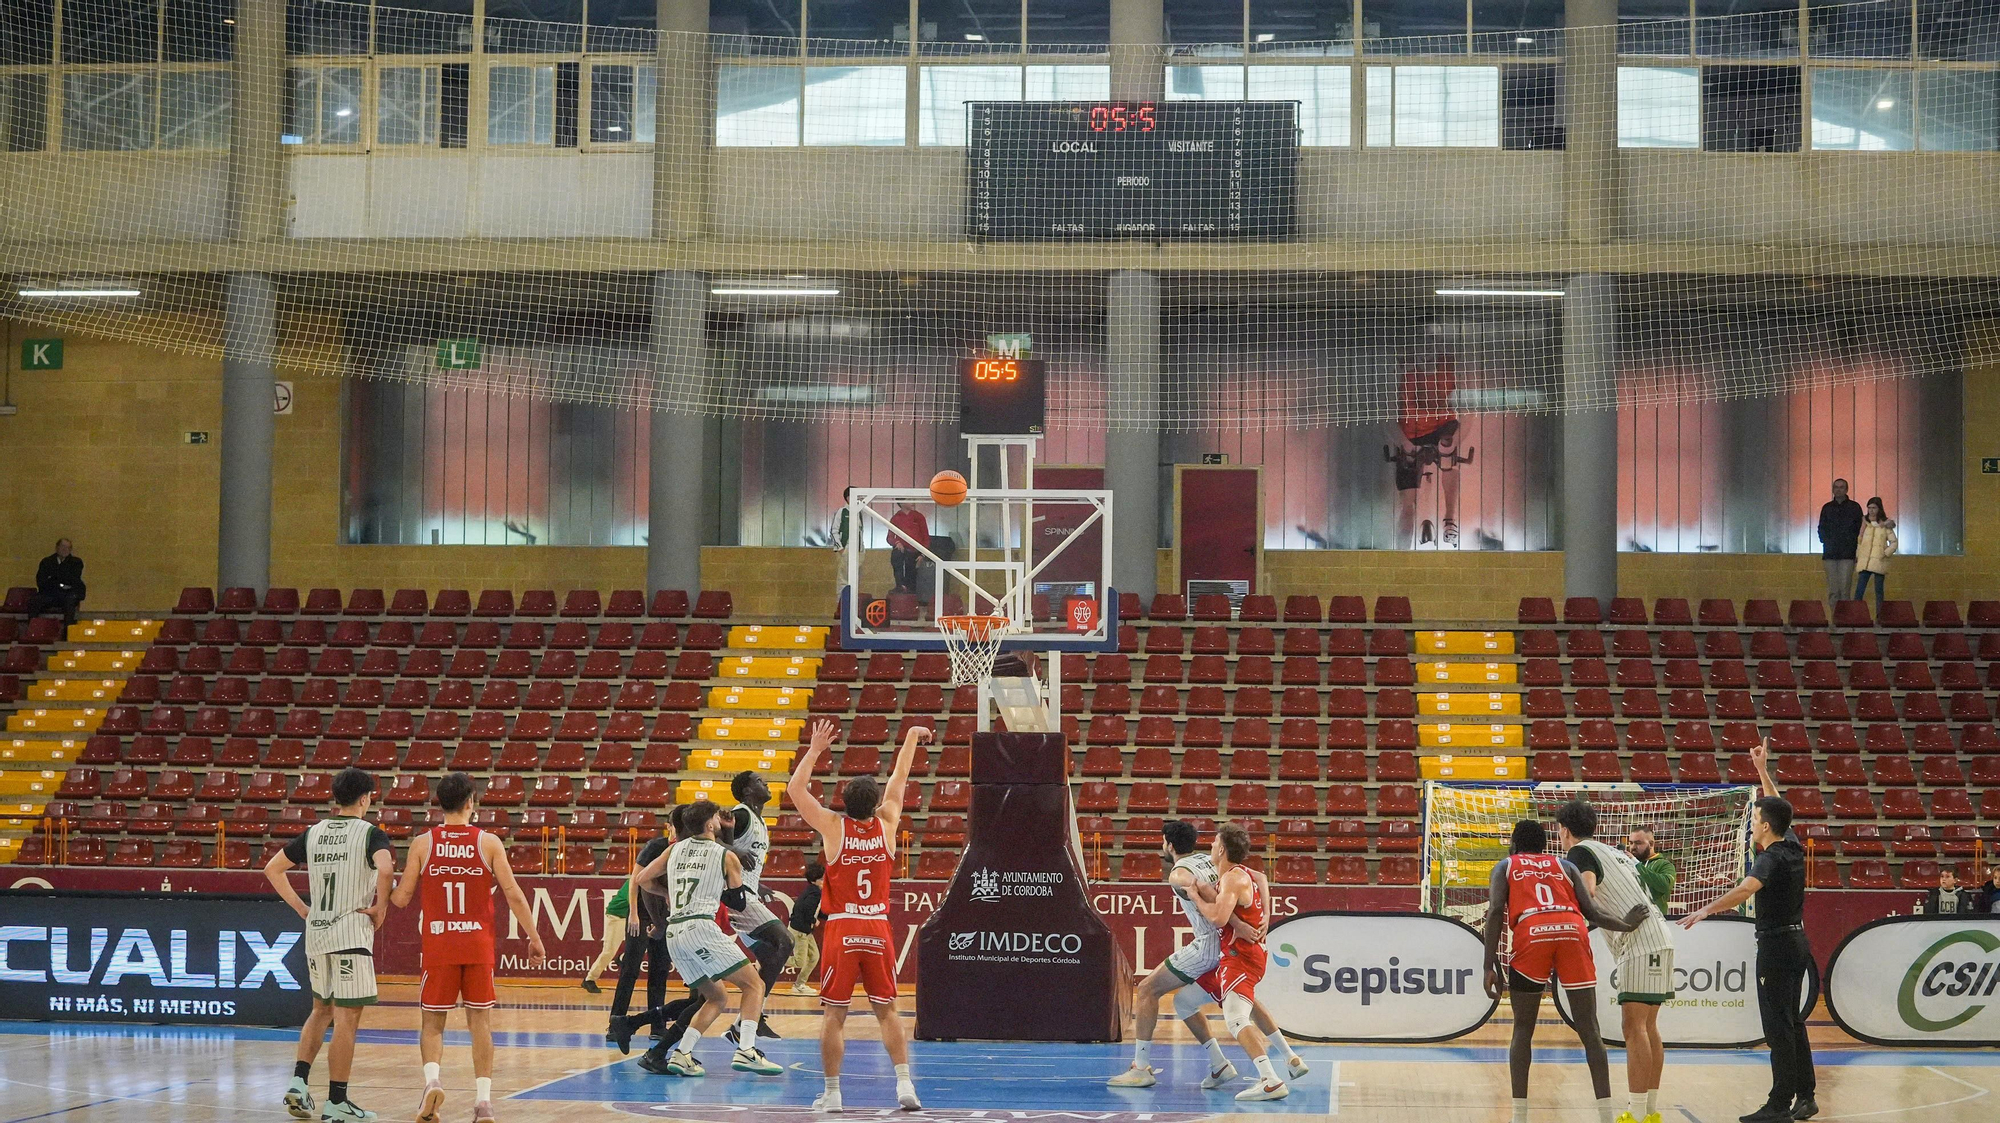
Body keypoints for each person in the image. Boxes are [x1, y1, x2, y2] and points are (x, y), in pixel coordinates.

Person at [788, 718, 928, 1112]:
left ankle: (833, 1093)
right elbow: (899, 778)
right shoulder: (887, 824)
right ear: (874, 804)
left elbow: (795, 790)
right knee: (887, 1010)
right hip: (877, 924)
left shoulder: (833, 826)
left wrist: (815, 749)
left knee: (835, 1014)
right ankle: (905, 1086)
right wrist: (912, 737)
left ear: (844, 801)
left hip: (843, 925)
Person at [390, 772, 545, 1123]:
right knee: (481, 1025)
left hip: (439, 945)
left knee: (432, 1024)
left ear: (439, 803)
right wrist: (534, 937)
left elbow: (400, 899)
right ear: (470, 802)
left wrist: (379, 890)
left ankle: (432, 1083)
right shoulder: (488, 842)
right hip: (477, 945)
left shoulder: (422, 843)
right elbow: (514, 895)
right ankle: (484, 1102)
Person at [1108, 820, 1307, 1091]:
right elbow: (1259, 878)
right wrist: (1262, 918)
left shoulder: (1178, 873)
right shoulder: (1206, 859)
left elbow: (1207, 894)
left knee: (1146, 989)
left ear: (1169, 844)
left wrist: (1234, 923)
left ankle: (1141, 1068)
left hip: (1209, 947)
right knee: (1208, 1001)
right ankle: (1237, 1063)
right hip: (1231, 945)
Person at [1681, 740, 1816, 1123]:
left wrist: (1706, 908)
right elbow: (1779, 809)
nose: (1752, 822)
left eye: (1755, 818)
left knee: (1778, 1027)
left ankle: (1778, 1104)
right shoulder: (1789, 844)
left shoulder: (1772, 858)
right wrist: (1761, 772)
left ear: (1766, 826)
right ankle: (1805, 1095)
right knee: (1793, 1022)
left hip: (1776, 947)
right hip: (1796, 942)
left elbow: (1745, 889)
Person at [1482, 818, 1649, 1123]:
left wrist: (1489, 964)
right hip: (1572, 929)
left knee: (1522, 1030)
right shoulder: (1565, 866)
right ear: (1545, 845)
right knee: (1590, 1030)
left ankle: (1519, 1116)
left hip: (1532, 931)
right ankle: (1605, 1115)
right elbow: (1592, 912)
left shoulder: (1506, 865)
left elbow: (1494, 910)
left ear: (1515, 845)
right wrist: (1627, 924)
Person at [264, 768, 394, 1123]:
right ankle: (337, 1101)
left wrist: (303, 909)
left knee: (320, 1010)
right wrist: (381, 907)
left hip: (317, 934)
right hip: (351, 935)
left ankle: (299, 1082)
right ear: (365, 798)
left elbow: (273, 869)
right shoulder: (371, 834)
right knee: (347, 1020)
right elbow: (385, 870)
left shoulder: (314, 833)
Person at [630, 799, 785, 1078]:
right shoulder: (725, 856)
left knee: (716, 996)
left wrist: (667, 895)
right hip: (702, 927)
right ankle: (747, 1050)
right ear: (711, 823)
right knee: (754, 985)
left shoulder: (674, 850)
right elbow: (738, 902)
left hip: (675, 931)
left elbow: (642, 878)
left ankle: (681, 1054)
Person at [1556, 801, 1677, 1123]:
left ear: (1564, 830)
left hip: (1640, 942)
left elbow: (1589, 892)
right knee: (1648, 1026)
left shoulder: (1579, 852)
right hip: (1659, 937)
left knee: (1633, 1027)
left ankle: (1637, 1113)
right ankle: (1649, 1111)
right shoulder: (1615, 852)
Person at [1185, 824, 1288, 1102]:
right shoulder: (1236, 875)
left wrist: (1195, 896)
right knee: (1198, 1004)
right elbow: (1261, 880)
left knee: (1236, 1018)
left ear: (1221, 849)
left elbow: (1218, 917)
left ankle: (1270, 1080)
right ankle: (1283, 1063)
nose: (1210, 848)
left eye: (1213, 844)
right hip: (1236, 955)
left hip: (1241, 956)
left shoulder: (1233, 878)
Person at [723, 768, 795, 1040]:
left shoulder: (760, 821)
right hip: (733, 899)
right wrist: (733, 850)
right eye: (759, 781)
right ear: (746, 791)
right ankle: (748, 1021)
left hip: (745, 893)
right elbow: (709, 840)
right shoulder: (740, 814)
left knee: (768, 955)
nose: (766, 784)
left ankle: (748, 1021)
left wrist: (757, 884)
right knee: (785, 942)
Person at [1385, 350, 1472, 549]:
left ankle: (1448, 520)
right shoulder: (1416, 377)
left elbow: (1467, 413)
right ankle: (1411, 532)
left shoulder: (1442, 372)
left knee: (1444, 452)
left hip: (1432, 427)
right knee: (1419, 459)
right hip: (1417, 429)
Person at [1817, 478, 1864, 607]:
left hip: (1848, 554)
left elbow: (1860, 529)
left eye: (1841, 487)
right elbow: (1821, 527)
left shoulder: (1855, 507)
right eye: (1836, 487)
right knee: (1833, 591)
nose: (1838, 489)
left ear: (1847, 489)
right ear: (1833, 490)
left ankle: (1844, 621)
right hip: (1830, 554)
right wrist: (1825, 541)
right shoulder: (1827, 508)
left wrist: (1855, 547)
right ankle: (1834, 620)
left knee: (1845, 591)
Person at [581, 873, 630, 994]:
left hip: (631, 916)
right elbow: (633, 901)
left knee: (647, 941)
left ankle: (622, 958)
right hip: (617, 916)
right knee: (609, 950)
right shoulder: (635, 880)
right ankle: (589, 979)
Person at [786, 859, 825, 997]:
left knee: (814, 957)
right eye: (822, 879)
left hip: (805, 931)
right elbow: (805, 909)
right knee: (799, 961)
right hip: (800, 931)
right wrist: (813, 920)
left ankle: (799, 984)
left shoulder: (811, 891)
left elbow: (816, 910)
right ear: (815, 880)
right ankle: (770, 959)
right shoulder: (815, 893)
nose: (824, 881)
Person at [1852, 497, 1897, 614]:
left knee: (1879, 591)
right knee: (1859, 590)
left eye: (1874, 508)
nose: (1871, 510)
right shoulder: (1865, 524)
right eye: (1869, 508)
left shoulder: (1885, 525)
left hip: (1879, 561)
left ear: (1879, 508)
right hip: (1864, 561)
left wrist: (1885, 553)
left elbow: (1894, 542)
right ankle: (1856, 614)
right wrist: (1858, 555)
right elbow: (1860, 542)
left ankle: (1880, 616)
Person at [30, 539, 85, 625]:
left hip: (68, 594)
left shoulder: (76, 562)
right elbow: (41, 581)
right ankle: (33, 627)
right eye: (63, 547)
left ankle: (67, 631)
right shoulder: (47, 562)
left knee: (70, 602)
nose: (65, 549)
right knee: (35, 601)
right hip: (51, 593)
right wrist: (60, 584)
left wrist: (53, 579)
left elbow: (72, 579)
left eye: (68, 548)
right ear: (57, 548)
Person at [1625, 826, 1677, 915]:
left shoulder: (1664, 864)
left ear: (1651, 844)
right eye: (1631, 843)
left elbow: (1665, 886)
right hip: (1629, 919)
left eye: (1638, 843)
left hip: (1656, 919)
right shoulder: (1627, 864)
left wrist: (1636, 864)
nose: (1633, 847)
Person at [888, 500, 930, 594]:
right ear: (901, 503)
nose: (912, 502)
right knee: (896, 555)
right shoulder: (895, 518)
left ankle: (910, 592)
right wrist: (897, 542)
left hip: (915, 552)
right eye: (908, 499)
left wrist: (923, 554)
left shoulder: (919, 517)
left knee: (911, 574)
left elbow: (926, 538)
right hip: (902, 550)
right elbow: (890, 537)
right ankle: (900, 585)